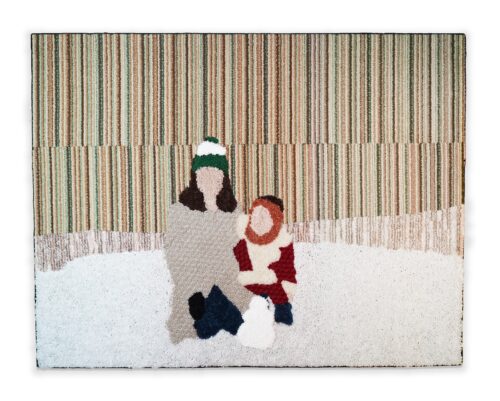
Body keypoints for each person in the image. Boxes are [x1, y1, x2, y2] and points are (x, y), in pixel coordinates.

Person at [164, 137, 252, 343]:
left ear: (223, 179)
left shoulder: (234, 212)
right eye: (204, 172)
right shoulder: (179, 211)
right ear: (195, 176)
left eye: (215, 173)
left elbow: (241, 253)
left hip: (229, 284)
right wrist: (197, 285)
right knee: (196, 327)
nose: (209, 179)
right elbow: (175, 256)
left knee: (241, 321)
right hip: (194, 287)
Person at [233, 195, 297, 325]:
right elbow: (242, 267)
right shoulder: (242, 239)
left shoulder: (283, 241)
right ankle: (261, 307)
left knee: (276, 283)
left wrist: (287, 285)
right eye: (256, 214)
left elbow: (287, 268)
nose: (258, 220)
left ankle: (279, 309)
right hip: (249, 281)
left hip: (274, 283)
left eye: (265, 216)